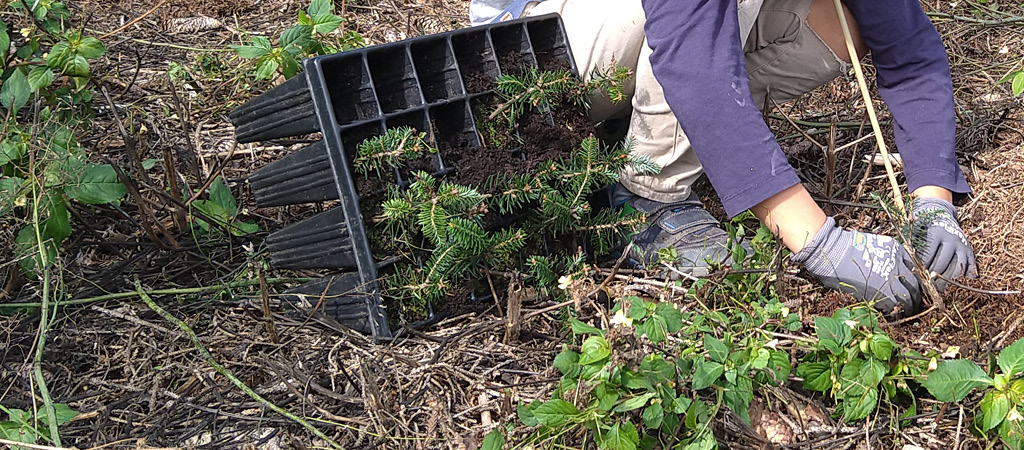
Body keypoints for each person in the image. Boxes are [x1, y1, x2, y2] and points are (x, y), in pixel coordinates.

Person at [469, 0, 978, 317]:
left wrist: (933, 199)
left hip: (649, 32)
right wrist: (819, 242)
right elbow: (695, 54)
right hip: (534, 52)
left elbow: (909, 47)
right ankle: (647, 192)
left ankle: (642, 129)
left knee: (839, 20)